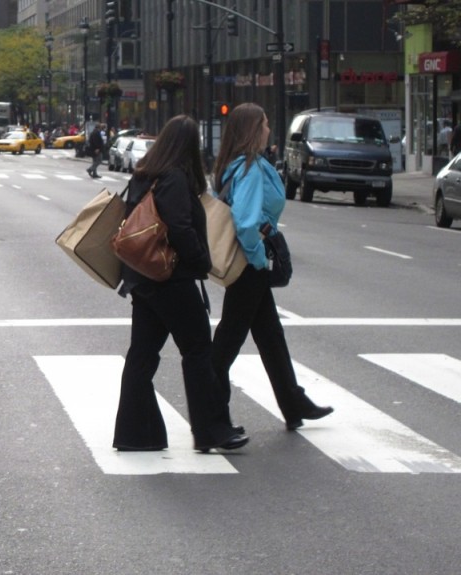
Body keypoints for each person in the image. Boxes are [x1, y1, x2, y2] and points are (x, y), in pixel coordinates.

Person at [112, 115, 249, 453]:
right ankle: (212, 431)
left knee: (142, 355)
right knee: (198, 351)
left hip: (143, 279)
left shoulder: (145, 175)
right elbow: (179, 228)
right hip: (171, 278)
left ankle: (134, 433)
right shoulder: (174, 178)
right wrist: (202, 260)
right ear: (188, 146)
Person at [211, 103, 333, 432]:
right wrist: (257, 260)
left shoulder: (232, 166)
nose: (268, 129)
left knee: (270, 336)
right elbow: (246, 222)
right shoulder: (249, 169)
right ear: (253, 130)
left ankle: (293, 403)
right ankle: (209, 413)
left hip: (245, 261)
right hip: (250, 263)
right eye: (264, 124)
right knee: (226, 344)